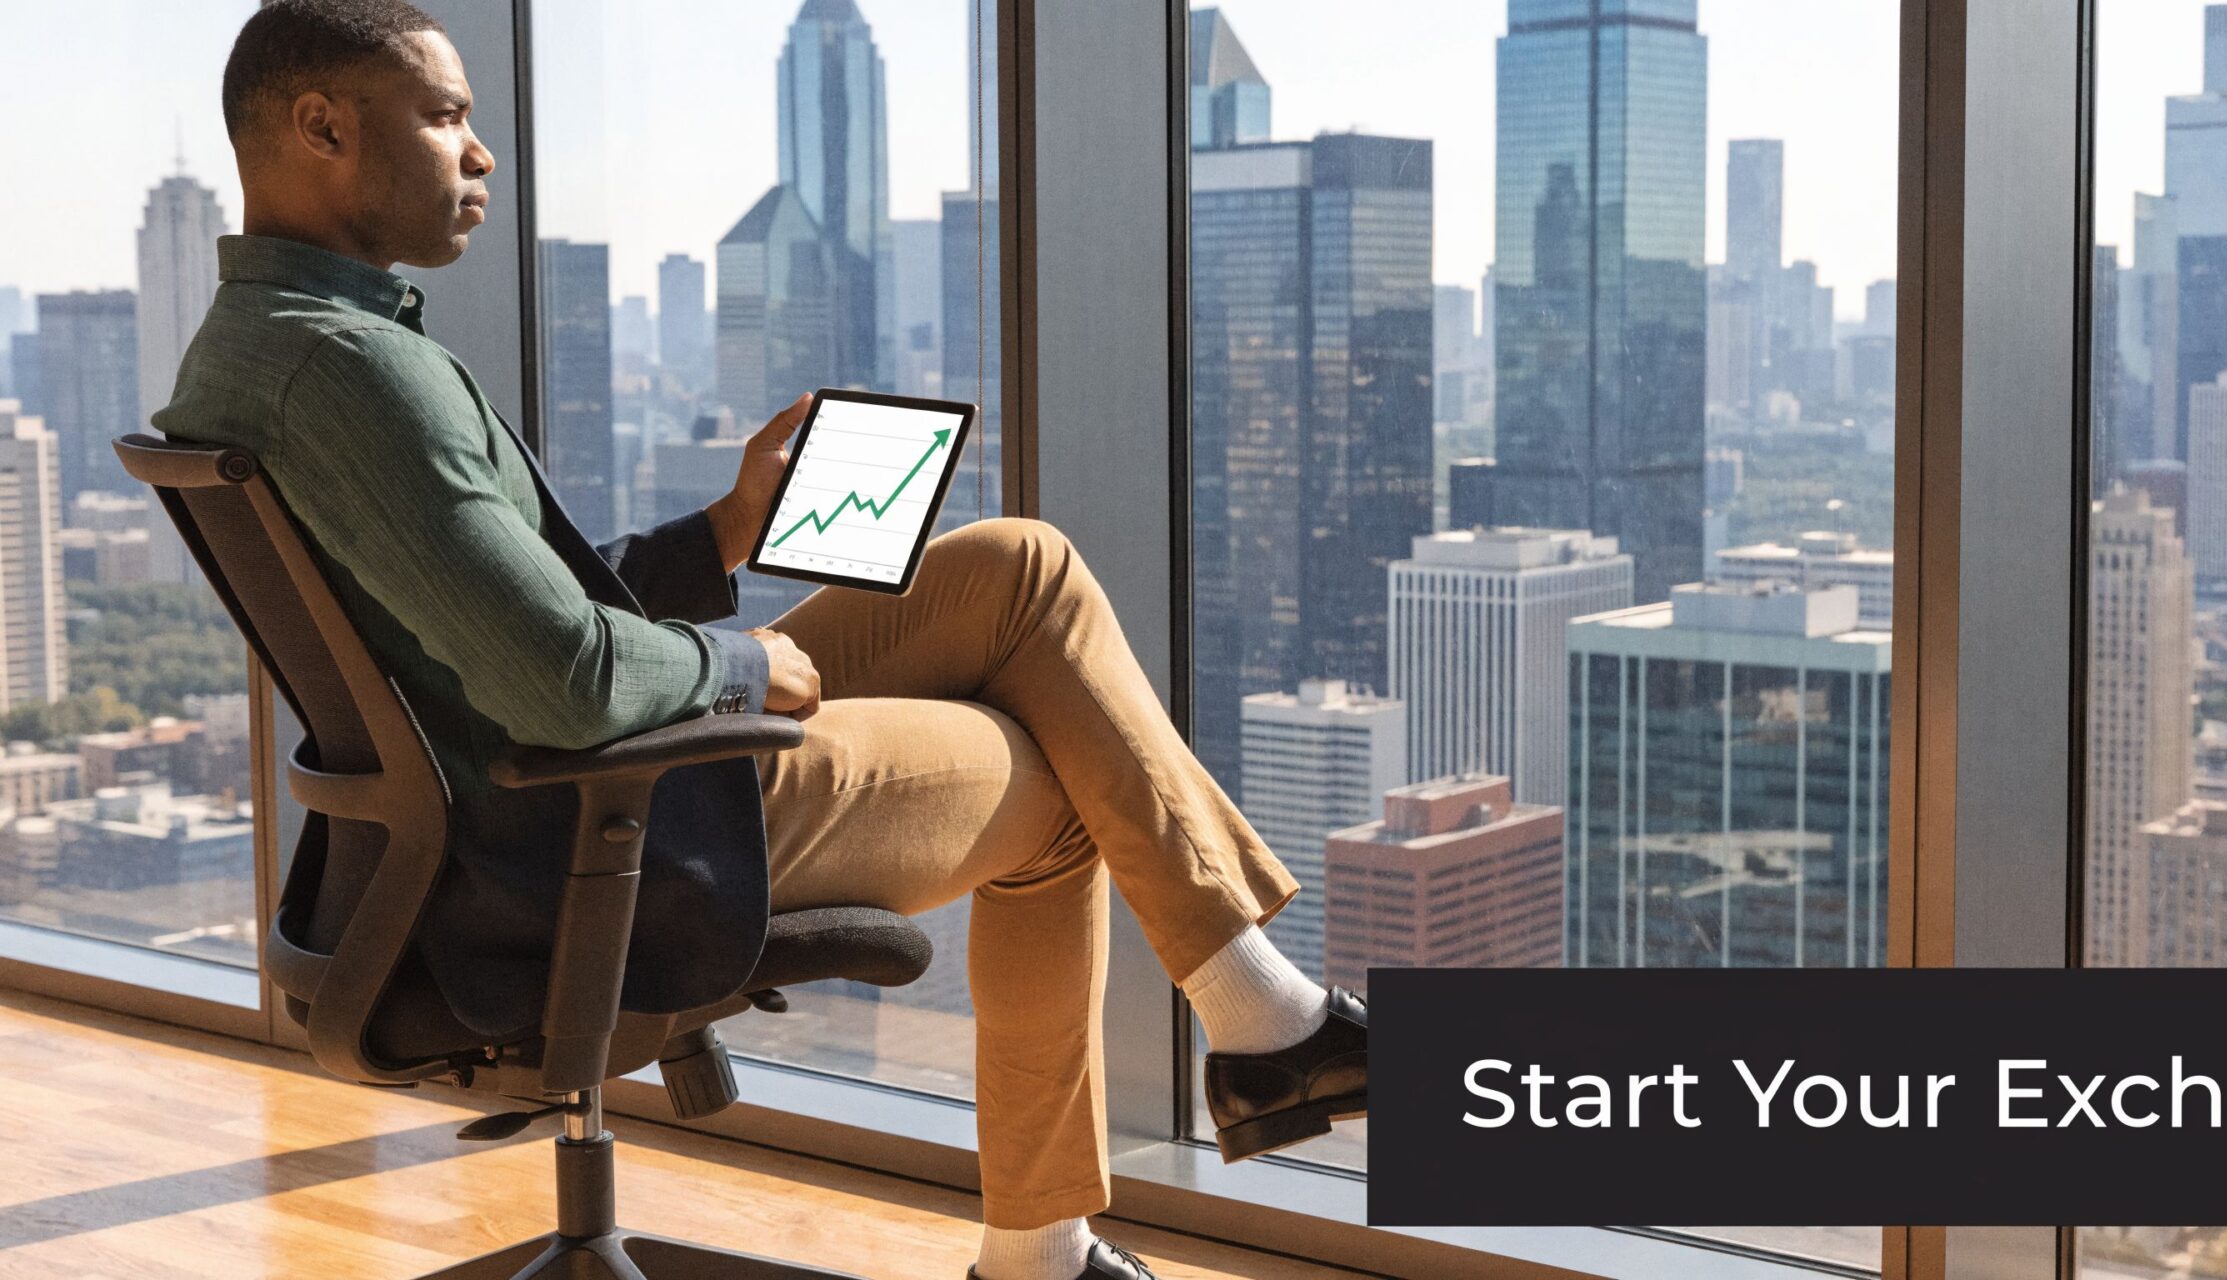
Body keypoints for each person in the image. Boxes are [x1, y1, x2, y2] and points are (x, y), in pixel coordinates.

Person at [161, 5, 1367, 1279]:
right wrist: (745, 663)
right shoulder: (356, 373)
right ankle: (1064, 1231)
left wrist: (722, 538)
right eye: (448, 116)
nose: (482, 155)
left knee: (1017, 566)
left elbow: (486, 611)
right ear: (323, 126)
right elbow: (564, 681)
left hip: (528, 792)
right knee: (1069, 777)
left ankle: (1258, 1016)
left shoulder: (264, 345)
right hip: (601, 815)